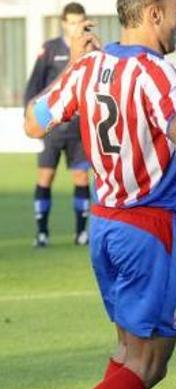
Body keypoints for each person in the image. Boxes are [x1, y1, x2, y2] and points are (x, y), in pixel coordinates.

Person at [19, 0, 176, 389]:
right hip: (150, 227)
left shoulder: (89, 65)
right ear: (152, 13)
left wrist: (71, 60)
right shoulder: (156, 73)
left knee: (127, 353)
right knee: (151, 364)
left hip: (107, 227)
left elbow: (33, 121)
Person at [24, 2, 91, 247]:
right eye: (71, 22)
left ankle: (81, 233)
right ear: (64, 23)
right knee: (45, 177)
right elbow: (34, 87)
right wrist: (31, 119)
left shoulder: (91, 48)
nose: (75, 27)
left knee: (82, 177)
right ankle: (41, 232)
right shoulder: (50, 49)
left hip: (78, 129)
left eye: (79, 21)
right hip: (51, 128)